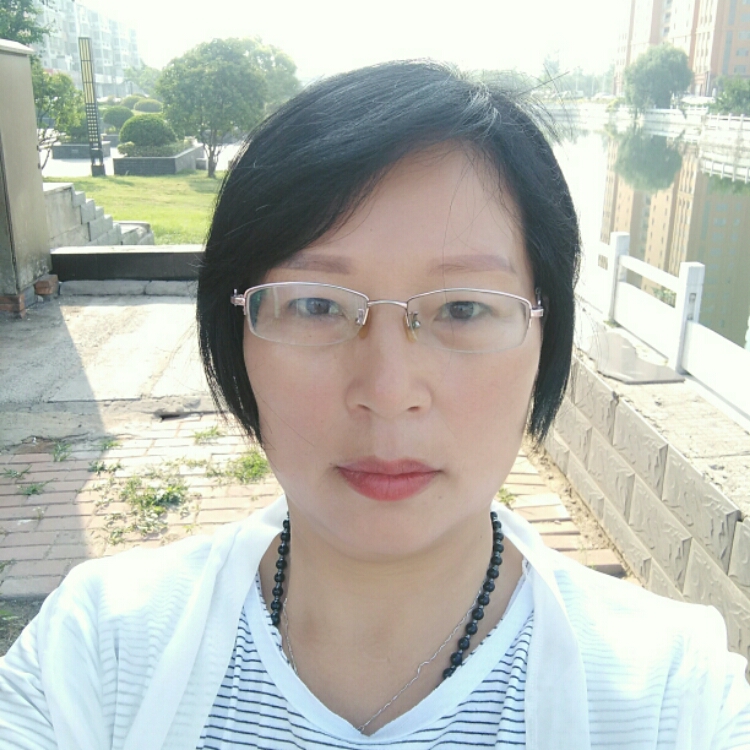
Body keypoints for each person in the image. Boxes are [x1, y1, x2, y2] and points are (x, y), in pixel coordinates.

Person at [1, 60, 748, 750]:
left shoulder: (671, 697)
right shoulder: (97, 657)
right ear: (237, 334)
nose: (389, 393)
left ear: (544, 337)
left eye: (462, 308)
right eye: (316, 305)